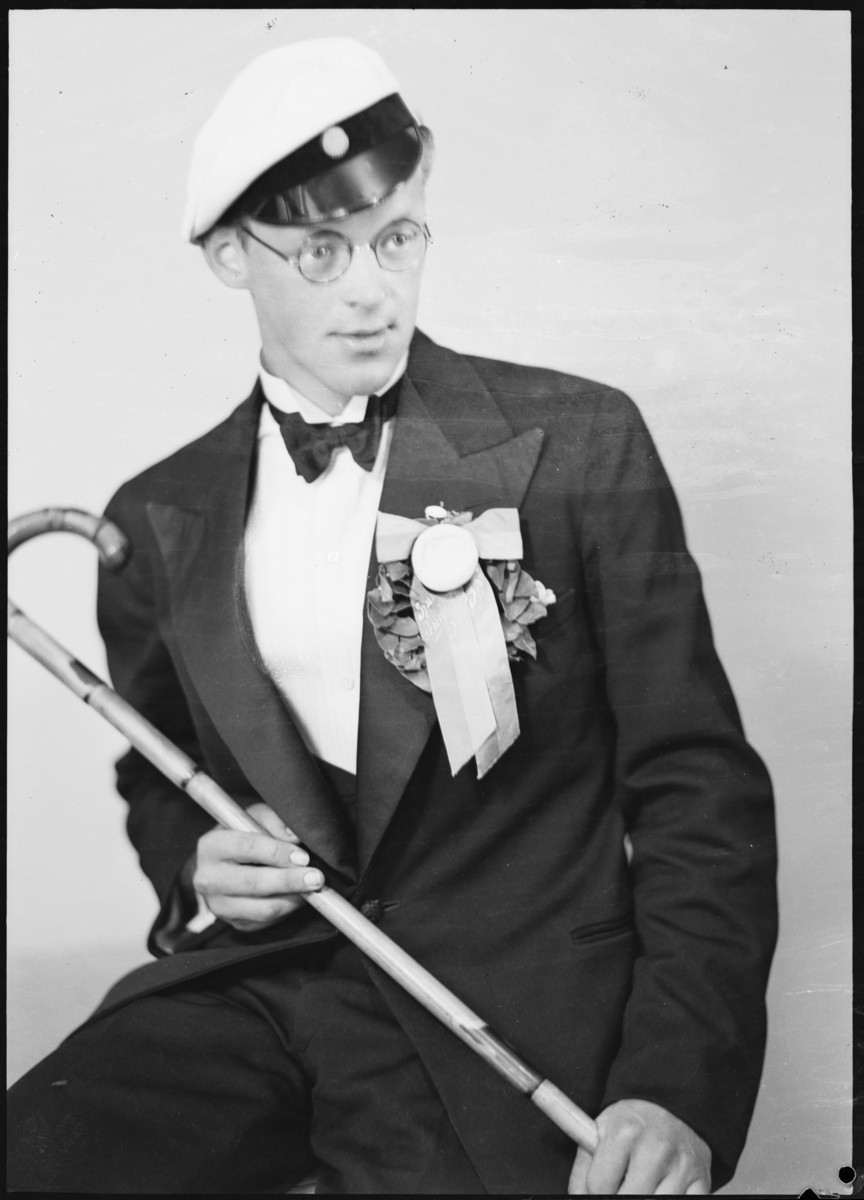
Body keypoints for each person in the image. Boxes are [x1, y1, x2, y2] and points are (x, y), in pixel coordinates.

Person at [7, 37, 778, 1195]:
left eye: (396, 238)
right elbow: (157, 781)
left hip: (502, 1023)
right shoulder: (153, 518)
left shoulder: (581, 444)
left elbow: (697, 787)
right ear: (228, 255)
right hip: (257, 992)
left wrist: (677, 1085)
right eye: (321, 251)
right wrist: (201, 872)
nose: (370, 289)